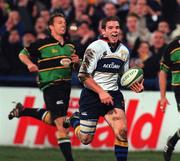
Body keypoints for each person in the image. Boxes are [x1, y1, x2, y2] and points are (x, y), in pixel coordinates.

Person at [63, 16, 144, 161]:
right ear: (104, 31)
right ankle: (75, 119)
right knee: (85, 139)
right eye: (111, 28)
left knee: (122, 132)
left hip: (113, 95)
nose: (114, 31)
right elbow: (83, 76)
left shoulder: (124, 51)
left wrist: (135, 85)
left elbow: (123, 77)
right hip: (92, 95)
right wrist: (101, 92)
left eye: (117, 28)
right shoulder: (95, 47)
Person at [8, 12, 80, 161]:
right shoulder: (42, 44)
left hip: (66, 87)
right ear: (51, 27)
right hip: (51, 86)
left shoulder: (71, 46)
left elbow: (74, 67)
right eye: (59, 22)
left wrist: (76, 62)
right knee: (62, 126)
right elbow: (22, 54)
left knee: (55, 120)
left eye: (64, 23)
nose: (63, 25)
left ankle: (23, 110)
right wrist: (30, 64)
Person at [159, 36, 180, 161]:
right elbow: (162, 72)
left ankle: (172, 142)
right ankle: (172, 142)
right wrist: (163, 97)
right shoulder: (172, 47)